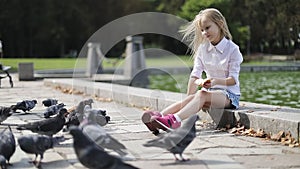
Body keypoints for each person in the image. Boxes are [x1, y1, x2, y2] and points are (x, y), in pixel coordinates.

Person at [142, 8, 243, 134]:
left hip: (229, 96)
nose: (204, 32)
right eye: (201, 30)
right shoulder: (203, 49)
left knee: (201, 94)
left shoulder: (233, 50)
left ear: (220, 24)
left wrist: (215, 81)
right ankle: (158, 118)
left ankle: (174, 120)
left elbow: (233, 80)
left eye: (207, 28)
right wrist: (190, 97)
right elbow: (195, 74)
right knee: (191, 98)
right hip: (210, 92)